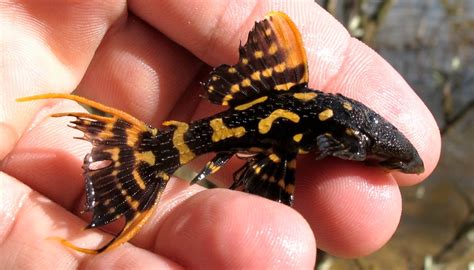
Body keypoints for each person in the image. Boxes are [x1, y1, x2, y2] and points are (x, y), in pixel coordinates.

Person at [0, 1, 440, 268]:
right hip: (261, 126)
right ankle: (145, 157)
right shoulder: (349, 140)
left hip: (265, 123)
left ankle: (143, 155)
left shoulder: (352, 135)